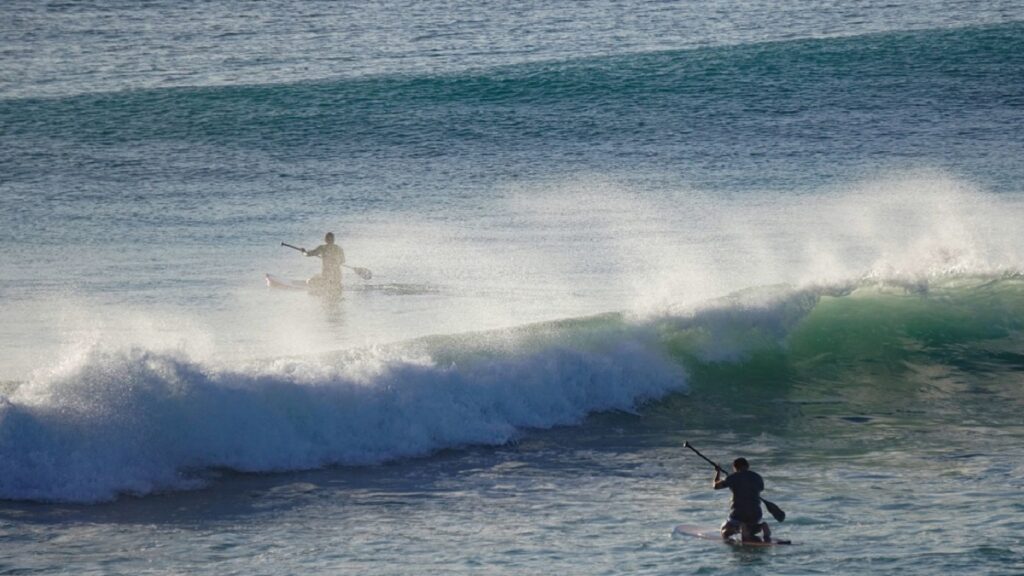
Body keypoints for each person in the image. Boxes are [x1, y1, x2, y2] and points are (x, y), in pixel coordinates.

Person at [713, 457, 771, 543]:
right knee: (751, 526)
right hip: (756, 514)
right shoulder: (758, 477)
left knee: (724, 531)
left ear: (734, 467)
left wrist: (718, 472)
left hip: (738, 514)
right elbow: (760, 488)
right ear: (748, 466)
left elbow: (716, 486)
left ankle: (742, 527)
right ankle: (762, 526)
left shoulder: (732, 477)